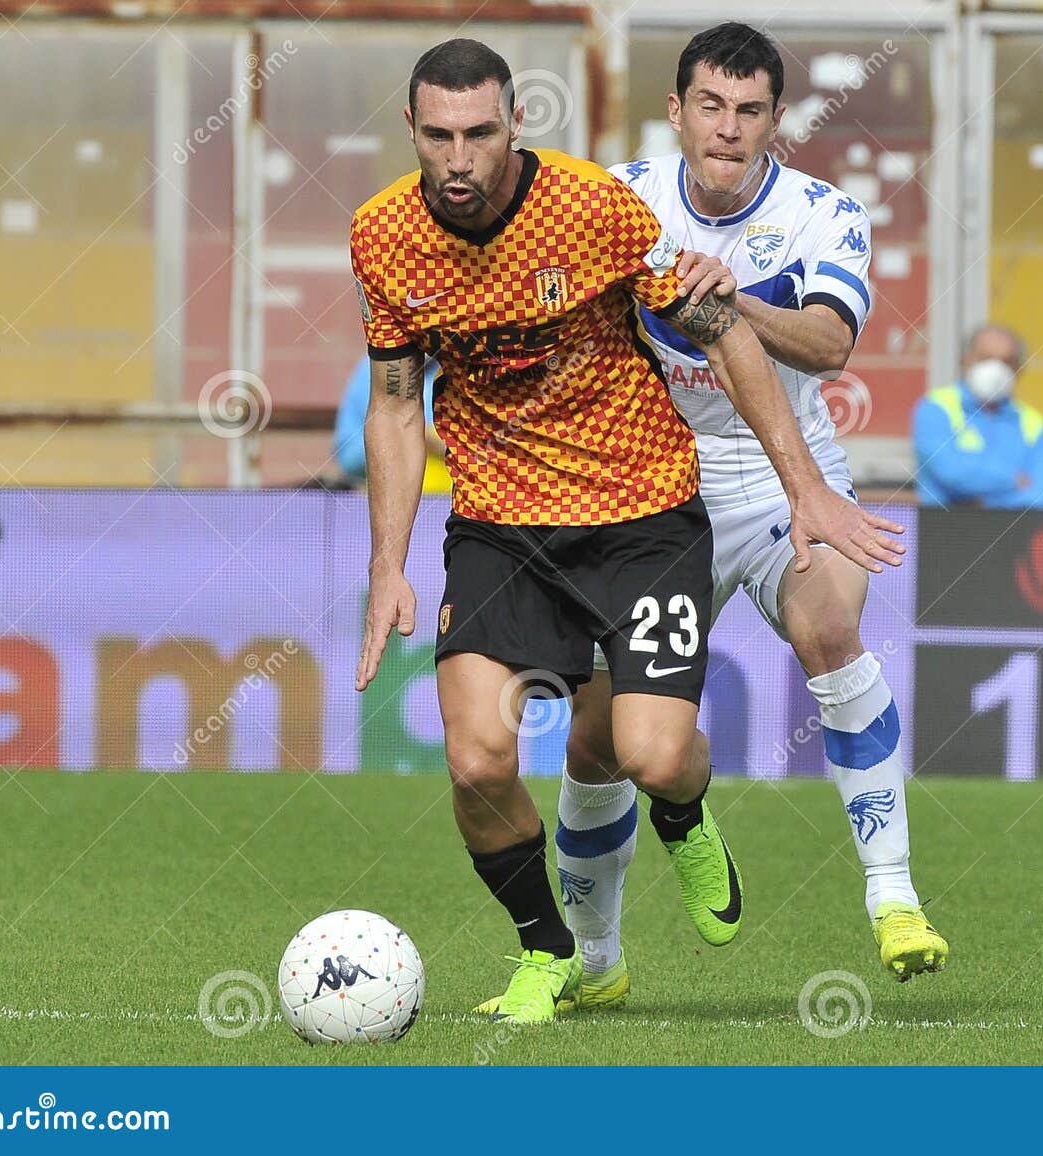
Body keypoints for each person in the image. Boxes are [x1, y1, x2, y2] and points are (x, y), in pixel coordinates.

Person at [351, 38, 901, 1026]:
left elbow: (724, 330)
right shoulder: (382, 236)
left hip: (641, 513)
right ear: (412, 132)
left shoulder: (593, 209)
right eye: (439, 135)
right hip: (499, 523)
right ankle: (547, 951)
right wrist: (387, 561)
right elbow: (395, 401)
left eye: (480, 132)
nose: (461, 157)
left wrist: (804, 484)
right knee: (476, 761)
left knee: (649, 755)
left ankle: (688, 818)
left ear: (515, 123)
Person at [544, 22, 946, 1014]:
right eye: (710, 107)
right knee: (598, 737)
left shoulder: (822, 215)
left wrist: (731, 302)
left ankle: (893, 896)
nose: (727, 131)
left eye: (750, 111)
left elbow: (828, 344)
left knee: (831, 623)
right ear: (676, 110)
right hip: (643, 478)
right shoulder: (616, 199)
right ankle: (594, 954)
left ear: (776, 121)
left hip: (778, 468)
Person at [914, 325, 1043, 509]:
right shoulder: (937, 407)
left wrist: (985, 506)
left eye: (1006, 361)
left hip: (1015, 532)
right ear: (965, 360)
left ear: (1019, 368)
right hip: (943, 530)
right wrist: (1013, 480)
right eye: (985, 358)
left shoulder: (1034, 422)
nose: (995, 369)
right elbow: (949, 472)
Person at [333, 356, 450, 493]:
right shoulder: (376, 366)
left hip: (451, 497)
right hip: (391, 493)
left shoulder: (456, 367)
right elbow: (350, 458)